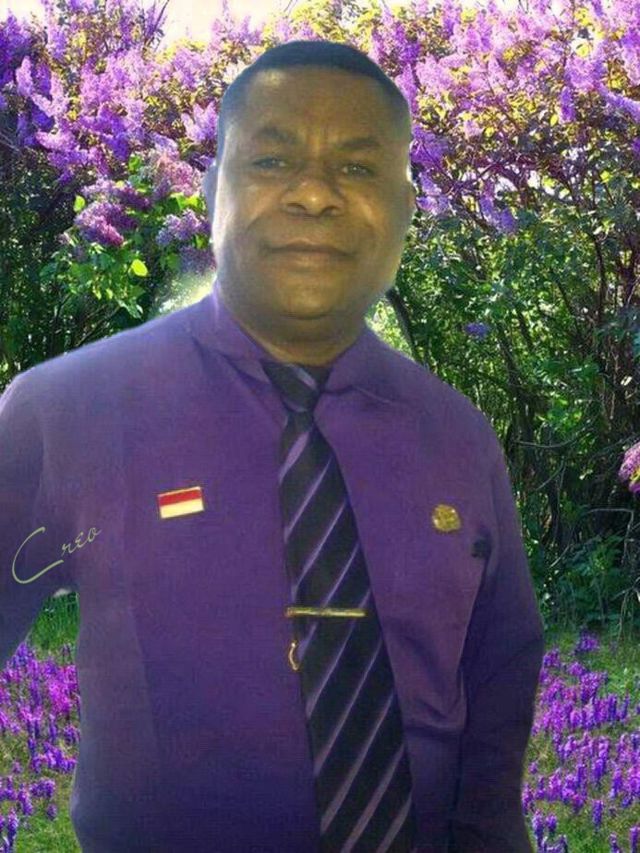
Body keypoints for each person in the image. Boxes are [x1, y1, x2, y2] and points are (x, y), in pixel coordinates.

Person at [0, 39, 544, 853]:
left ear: (404, 207)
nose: (315, 193)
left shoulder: (457, 437)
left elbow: (500, 675)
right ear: (214, 187)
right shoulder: (70, 409)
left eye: (358, 167)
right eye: (273, 158)